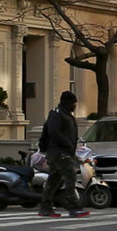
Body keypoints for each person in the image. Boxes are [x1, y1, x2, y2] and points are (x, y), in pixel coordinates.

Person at [37, 89, 86, 217]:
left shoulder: (66, 114)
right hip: (59, 152)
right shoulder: (57, 114)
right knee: (70, 176)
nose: (75, 105)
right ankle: (73, 206)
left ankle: (45, 207)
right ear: (67, 103)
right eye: (74, 103)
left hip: (63, 152)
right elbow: (53, 132)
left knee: (54, 179)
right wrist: (67, 144)